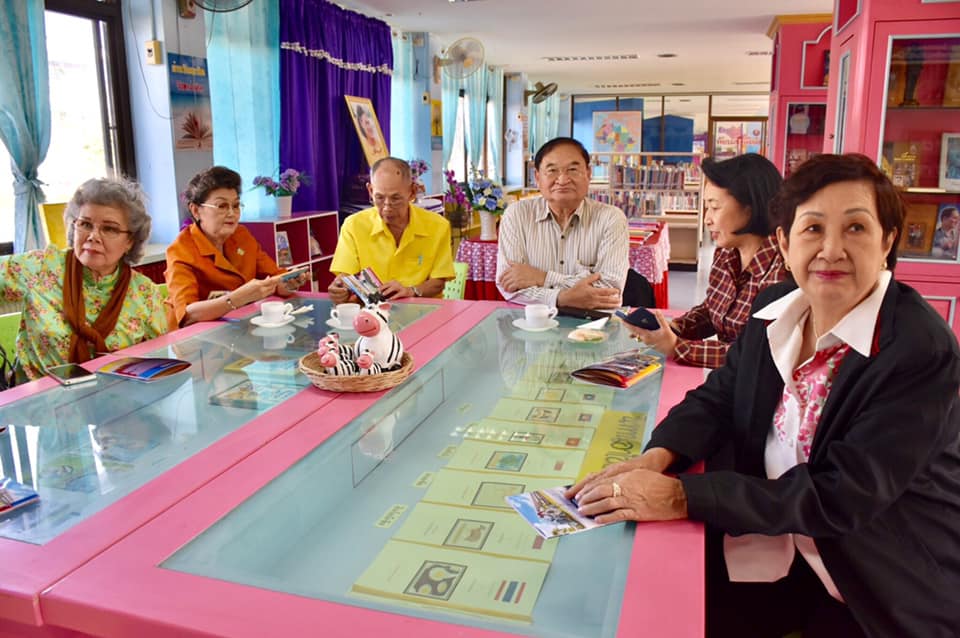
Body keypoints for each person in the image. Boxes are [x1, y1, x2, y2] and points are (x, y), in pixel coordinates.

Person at [569, 154, 960, 638]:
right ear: (785, 242)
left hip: (870, 579)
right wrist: (658, 457)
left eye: (856, 228)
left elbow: (843, 493)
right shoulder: (775, 308)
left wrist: (680, 495)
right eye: (812, 228)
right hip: (775, 549)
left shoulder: (918, 348)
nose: (831, 249)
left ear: (887, 242)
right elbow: (719, 397)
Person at [626, 153, 787, 368]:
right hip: (728, 379)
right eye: (706, 207)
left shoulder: (783, 271)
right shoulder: (726, 253)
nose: (707, 219)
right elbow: (712, 310)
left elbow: (757, 355)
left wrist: (677, 347)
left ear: (751, 206)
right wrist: (674, 328)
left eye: (715, 207)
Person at [0, 177, 167, 382]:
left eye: (109, 228)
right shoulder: (41, 267)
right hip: (35, 397)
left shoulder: (145, 294)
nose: (93, 236)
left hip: (115, 396)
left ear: (130, 241)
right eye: (85, 224)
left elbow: (159, 364)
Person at [496, 137, 629, 310]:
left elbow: (609, 292)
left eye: (573, 170)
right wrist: (562, 298)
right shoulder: (517, 215)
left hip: (593, 322)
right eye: (552, 170)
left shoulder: (611, 218)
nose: (563, 179)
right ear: (537, 177)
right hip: (532, 321)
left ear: (588, 174)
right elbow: (509, 286)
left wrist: (543, 278)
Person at [165, 166, 306, 328]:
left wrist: (287, 284)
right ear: (196, 210)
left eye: (236, 205)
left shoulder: (241, 235)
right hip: (197, 336)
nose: (232, 213)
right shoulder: (180, 250)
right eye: (222, 206)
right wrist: (237, 299)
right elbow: (188, 314)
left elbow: (273, 276)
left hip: (240, 326)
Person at [328, 157, 455, 303]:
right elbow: (346, 276)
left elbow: (438, 282)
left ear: (412, 192)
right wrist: (340, 288)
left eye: (395, 199)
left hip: (420, 308)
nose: (387, 207)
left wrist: (411, 291)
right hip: (372, 312)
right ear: (370, 190)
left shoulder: (438, 226)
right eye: (379, 198)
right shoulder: (353, 226)